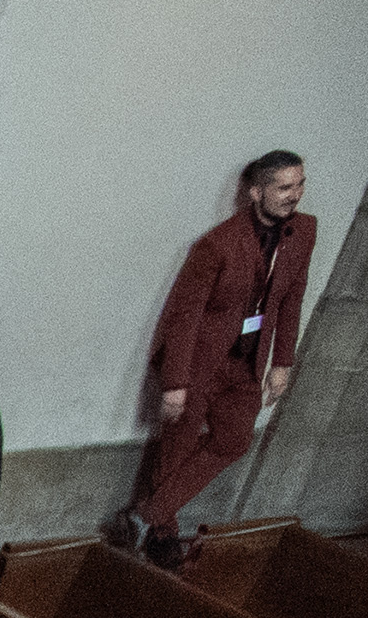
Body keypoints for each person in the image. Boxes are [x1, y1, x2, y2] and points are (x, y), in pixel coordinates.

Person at [121, 145, 314, 560]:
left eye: (299, 184)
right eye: (283, 187)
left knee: (235, 440)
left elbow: (292, 299)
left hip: (246, 364)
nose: (294, 194)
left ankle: (147, 514)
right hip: (199, 363)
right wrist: (175, 383)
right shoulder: (217, 244)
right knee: (177, 446)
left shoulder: (305, 232)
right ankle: (161, 534)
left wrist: (282, 362)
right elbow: (184, 315)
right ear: (255, 193)